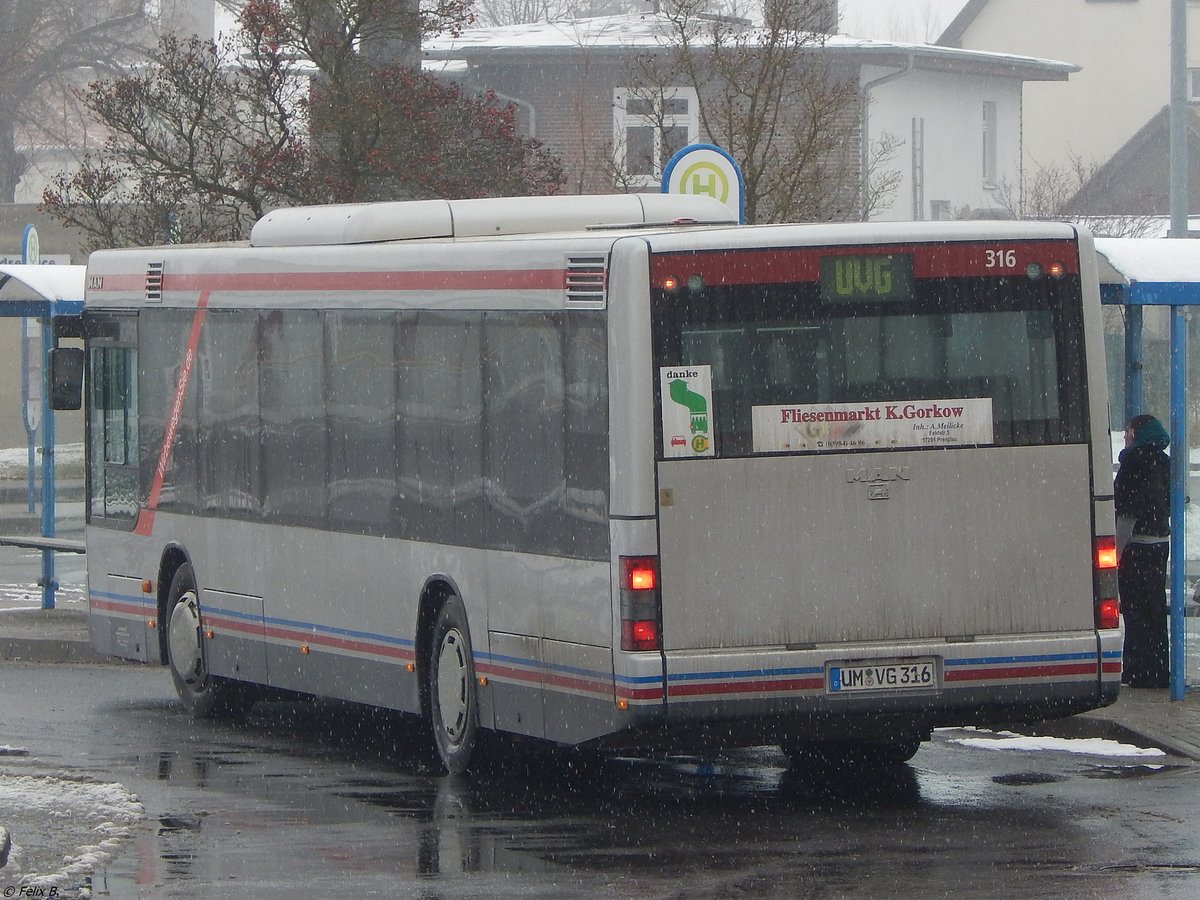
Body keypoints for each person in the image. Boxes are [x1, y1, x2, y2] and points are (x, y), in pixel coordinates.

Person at [1113, 413, 1171, 688]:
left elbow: (1126, 513)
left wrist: (1116, 553)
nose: (1125, 436)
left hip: (1137, 548)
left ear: (1137, 432)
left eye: (1127, 431)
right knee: (1155, 611)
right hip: (1160, 545)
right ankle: (1157, 671)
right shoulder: (1163, 461)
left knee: (1135, 613)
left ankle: (1137, 671)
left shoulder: (1133, 462)